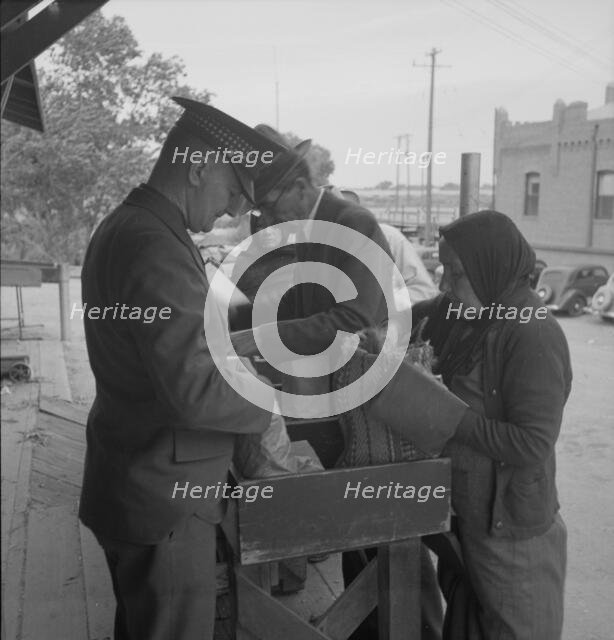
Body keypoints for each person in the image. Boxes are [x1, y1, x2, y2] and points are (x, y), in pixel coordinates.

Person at [78, 97, 286, 640]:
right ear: (198, 167)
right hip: (164, 496)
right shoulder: (154, 244)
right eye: (234, 191)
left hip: (137, 477)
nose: (235, 211)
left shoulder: (133, 225)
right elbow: (192, 389)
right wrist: (267, 400)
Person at [413, 210, 571, 639]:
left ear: (489, 266)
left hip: (512, 535)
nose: (445, 282)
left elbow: (531, 443)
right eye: (442, 268)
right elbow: (417, 313)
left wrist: (447, 414)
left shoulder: (531, 333)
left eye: (455, 271)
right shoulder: (478, 313)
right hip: (471, 518)